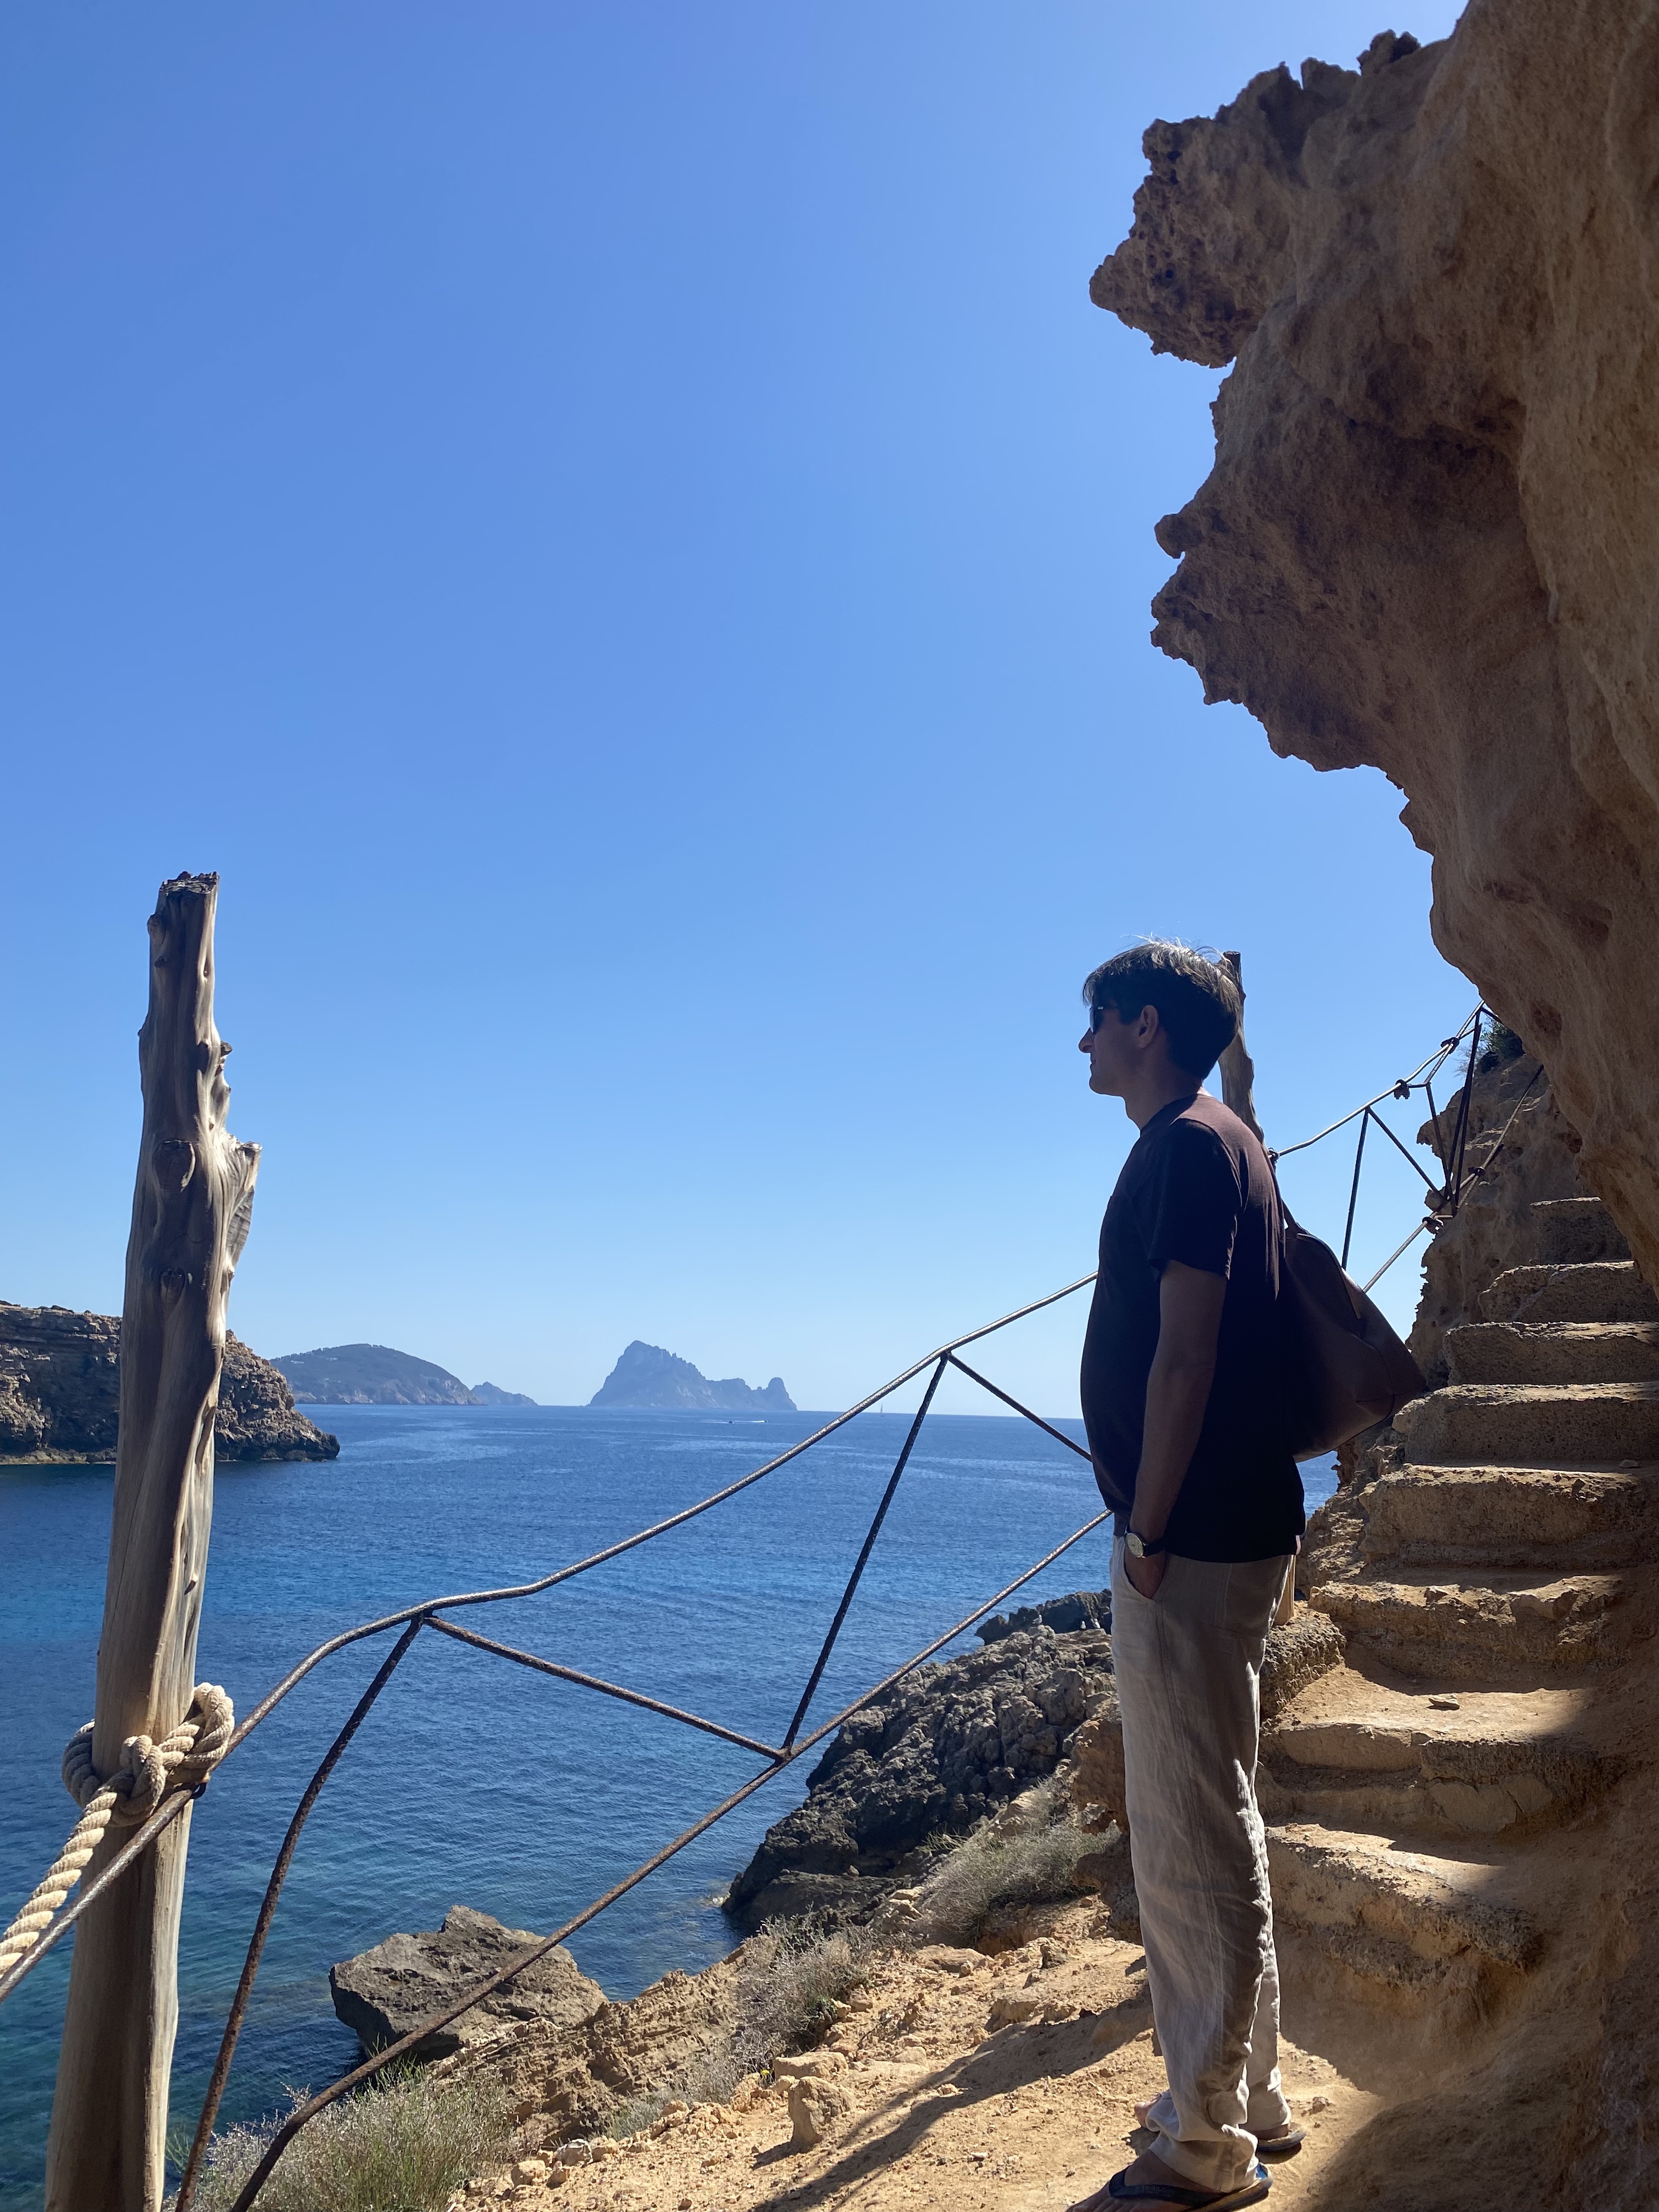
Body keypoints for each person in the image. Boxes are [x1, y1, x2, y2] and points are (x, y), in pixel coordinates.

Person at [1066, 943, 1305, 2212]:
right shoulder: (1232, 1137)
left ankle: (1204, 2145)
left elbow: (1186, 1352)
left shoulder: (1186, 1149)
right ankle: (1249, 2095)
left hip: (1193, 1539)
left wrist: (1147, 1529)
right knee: (1224, 1810)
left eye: (1095, 1021)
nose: (1082, 1045)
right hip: (1228, 1528)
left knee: (1187, 1841)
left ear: (1144, 1025)